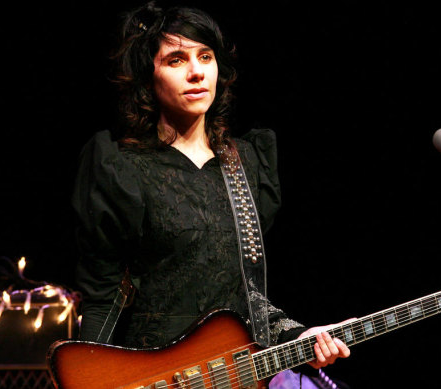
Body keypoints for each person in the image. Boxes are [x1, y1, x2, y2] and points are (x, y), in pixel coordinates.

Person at [71, 0, 351, 385]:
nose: (196, 72)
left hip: (229, 376)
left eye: (206, 56)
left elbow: (244, 298)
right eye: (176, 60)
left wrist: (299, 336)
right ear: (147, 77)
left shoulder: (244, 163)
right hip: (152, 377)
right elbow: (103, 296)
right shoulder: (121, 168)